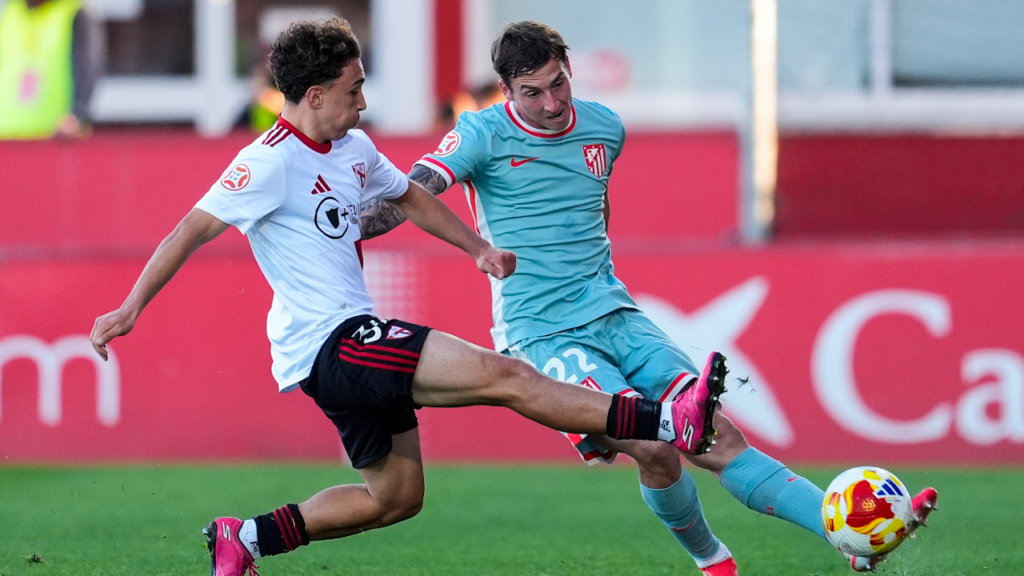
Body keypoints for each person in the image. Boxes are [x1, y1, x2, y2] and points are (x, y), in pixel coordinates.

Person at [88, 19, 721, 576]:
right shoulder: (266, 162)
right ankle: (668, 420)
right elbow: (190, 230)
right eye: (353, 89)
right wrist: (128, 309)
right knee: (507, 373)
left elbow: (411, 195)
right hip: (331, 343)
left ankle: (243, 537)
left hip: (335, 352)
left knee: (396, 497)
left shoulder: (353, 147)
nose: (364, 102)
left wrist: (475, 248)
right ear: (314, 95)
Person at [359, 20, 938, 575]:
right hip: (541, 332)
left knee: (717, 434)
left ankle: (848, 539)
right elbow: (418, 189)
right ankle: (713, 558)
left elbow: (595, 208)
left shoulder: (605, 128)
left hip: (618, 315)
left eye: (560, 83)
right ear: (506, 90)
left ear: (569, 70)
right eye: (533, 93)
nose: (553, 103)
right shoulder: (481, 133)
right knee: (653, 444)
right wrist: (351, 228)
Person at [0, 0, 96, 139]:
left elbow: (87, 68)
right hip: (6, 135)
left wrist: (77, 116)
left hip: (53, 138)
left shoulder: (73, 12)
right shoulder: (10, 10)